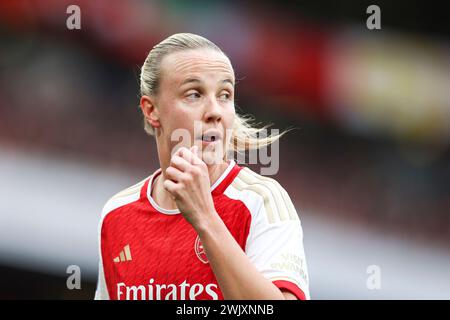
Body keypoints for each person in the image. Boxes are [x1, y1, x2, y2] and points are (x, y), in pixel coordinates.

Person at [94, 33, 310, 300]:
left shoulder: (260, 201)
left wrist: (205, 218)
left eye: (225, 94)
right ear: (151, 110)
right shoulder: (117, 214)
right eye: (194, 94)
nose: (215, 111)